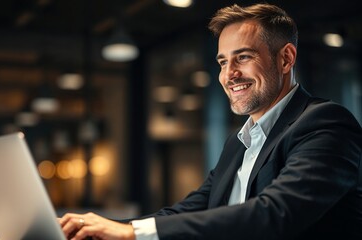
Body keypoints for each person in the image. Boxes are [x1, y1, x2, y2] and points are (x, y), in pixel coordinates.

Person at [59, 3, 362, 240]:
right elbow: (191, 209)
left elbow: (275, 214)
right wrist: (101, 228)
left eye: (242, 57)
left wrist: (132, 234)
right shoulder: (240, 142)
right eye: (222, 62)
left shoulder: (326, 124)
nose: (229, 75)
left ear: (285, 59)